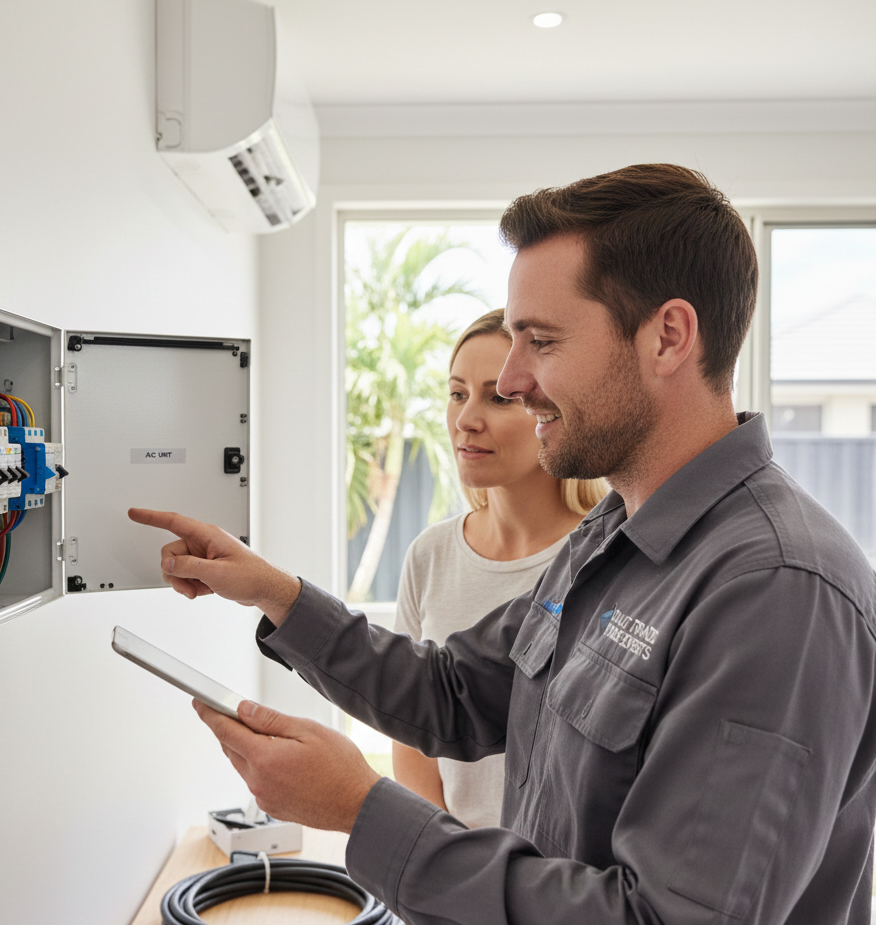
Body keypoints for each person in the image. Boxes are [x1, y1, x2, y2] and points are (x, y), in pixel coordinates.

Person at [129, 163, 876, 925]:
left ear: (669, 337)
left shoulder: (782, 591)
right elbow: (457, 689)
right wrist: (274, 593)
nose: (513, 381)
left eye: (541, 342)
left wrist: (361, 807)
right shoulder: (611, 532)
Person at [392, 308, 607, 827]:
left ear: (549, 408)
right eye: (457, 393)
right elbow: (412, 734)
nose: (466, 418)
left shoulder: (605, 559)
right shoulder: (430, 555)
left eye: (498, 397)